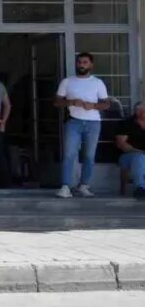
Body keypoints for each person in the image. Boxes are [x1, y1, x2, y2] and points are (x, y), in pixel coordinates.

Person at [56, 52, 110, 198]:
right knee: (69, 154)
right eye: (79, 62)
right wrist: (72, 102)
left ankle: (84, 185)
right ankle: (65, 186)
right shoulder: (67, 82)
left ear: (91, 65)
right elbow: (57, 102)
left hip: (93, 123)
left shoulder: (97, 83)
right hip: (74, 121)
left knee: (89, 156)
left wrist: (93, 106)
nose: (81, 65)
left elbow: (106, 104)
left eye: (85, 62)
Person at [115, 102, 145, 200]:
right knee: (139, 158)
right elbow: (121, 144)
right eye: (142, 110)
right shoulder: (127, 123)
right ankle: (140, 188)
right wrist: (139, 151)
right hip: (128, 155)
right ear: (137, 112)